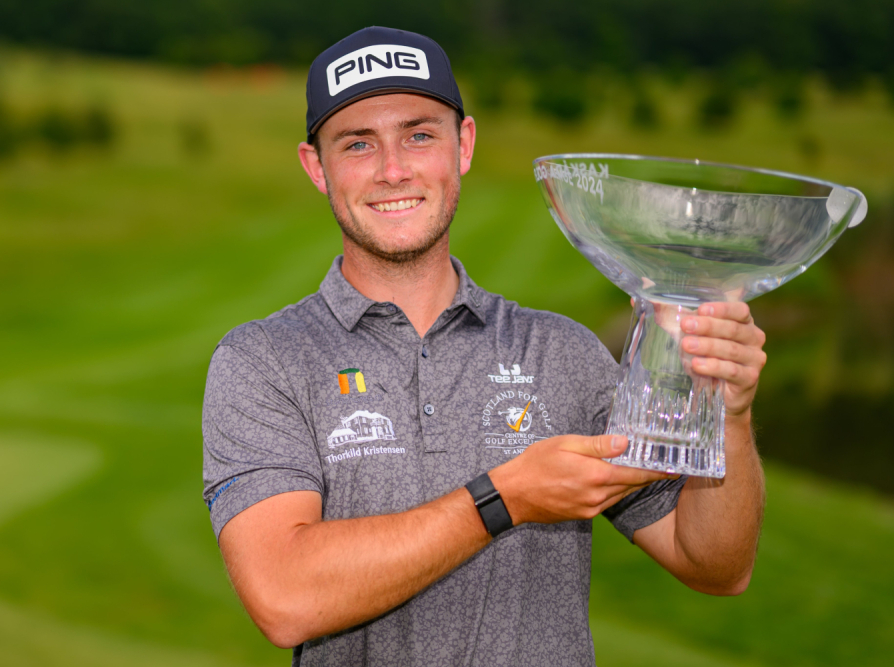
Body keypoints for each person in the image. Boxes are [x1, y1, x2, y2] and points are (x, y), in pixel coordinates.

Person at [202, 26, 766, 667]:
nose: (394, 170)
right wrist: (504, 499)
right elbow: (283, 596)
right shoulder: (263, 360)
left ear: (463, 145)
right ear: (316, 167)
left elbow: (716, 566)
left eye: (419, 135)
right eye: (358, 144)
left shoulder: (561, 352)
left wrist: (730, 412)